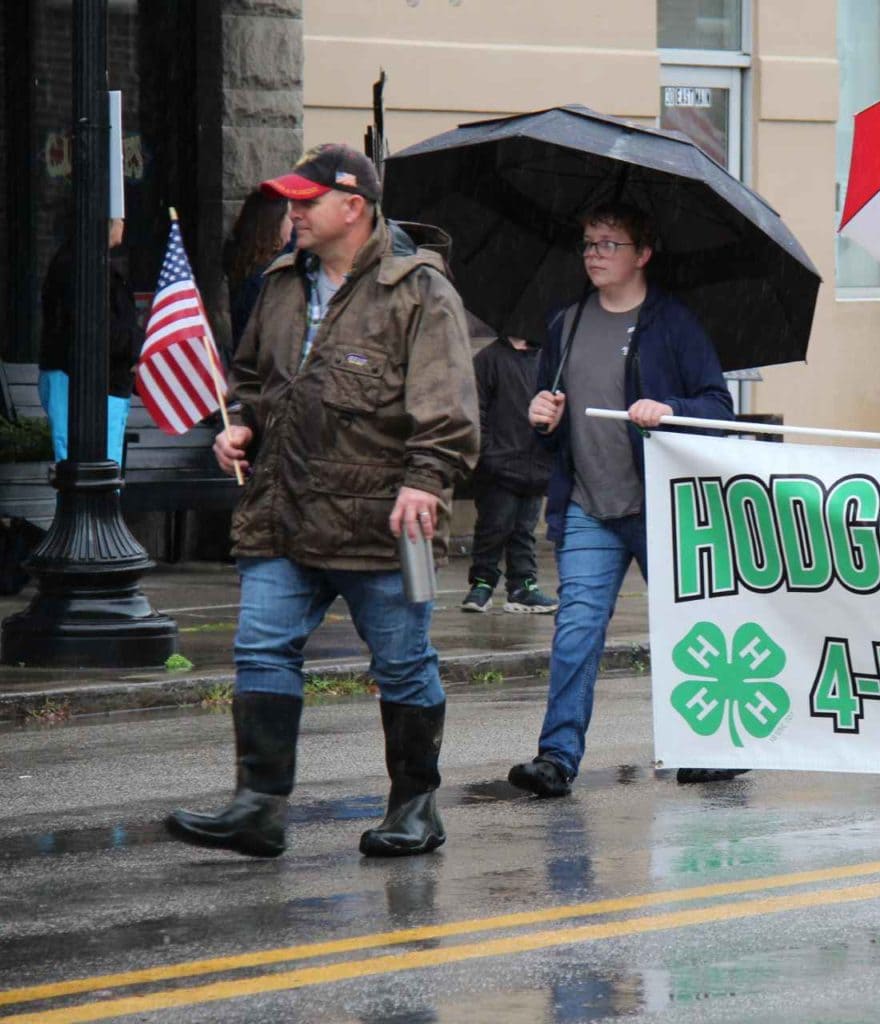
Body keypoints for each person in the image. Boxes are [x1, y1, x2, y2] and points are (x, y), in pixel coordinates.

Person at [164, 144, 479, 858]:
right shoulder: (280, 281)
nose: (293, 213)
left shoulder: (421, 290)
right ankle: (259, 807)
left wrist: (425, 482)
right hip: (282, 509)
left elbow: (450, 410)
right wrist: (238, 424)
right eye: (291, 202)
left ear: (353, 207)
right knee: (261, 648)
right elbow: (250, 377)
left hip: (382, 521)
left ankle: (415, 806)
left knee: (401, 664)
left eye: (307, 202)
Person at [506, 200, 738, 798]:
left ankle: (708, 749)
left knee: (690, 628)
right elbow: (549, 410)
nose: (595, 255)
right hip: (587, 504)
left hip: (660, 507)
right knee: (576, 628)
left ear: (643, 254)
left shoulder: (673, 323)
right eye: (588, 243)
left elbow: (717, 406)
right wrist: (542, 416)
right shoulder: (568, 322)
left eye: (609, 244)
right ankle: (556, 758)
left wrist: (671, 410)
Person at [462, 333, 558, 614]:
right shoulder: (489, 358)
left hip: (536, 464)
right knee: (494, 525)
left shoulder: (549, 360)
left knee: (524, 529)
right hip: (498, 465)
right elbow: (475, 410)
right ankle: (482, 583)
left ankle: (523, 585)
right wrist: (488, 454)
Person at [37, 217, 140, 465]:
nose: (124, 222)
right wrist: (137, 346)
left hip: (97, 382)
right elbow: (99, 329)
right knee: (89, 469)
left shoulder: (85, 262)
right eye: (119, 217)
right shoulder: (81, 265)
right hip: (87, 384)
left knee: (91, 470)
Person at [223, 188, 292, 361]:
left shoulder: (244, 262)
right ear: (275, 224)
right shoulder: (264, 279)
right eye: (289, 217)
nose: (294, 223)